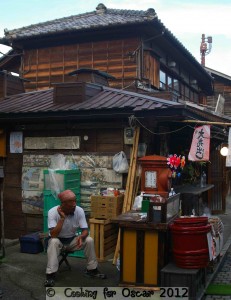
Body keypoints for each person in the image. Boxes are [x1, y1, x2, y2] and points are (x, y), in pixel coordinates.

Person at [44, 189, 106, 287]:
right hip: (57, 241)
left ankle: (92, 270)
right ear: (63, 204)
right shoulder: (52, 212)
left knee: (89, 240)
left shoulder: (79, 210)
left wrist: (81, 236)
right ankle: (50, 275)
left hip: (72, 240)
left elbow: (85, 229)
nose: (74, 204)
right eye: (71, 202)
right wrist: (62, 219)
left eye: (75, 201)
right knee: (53, 241)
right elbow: (53, 235)